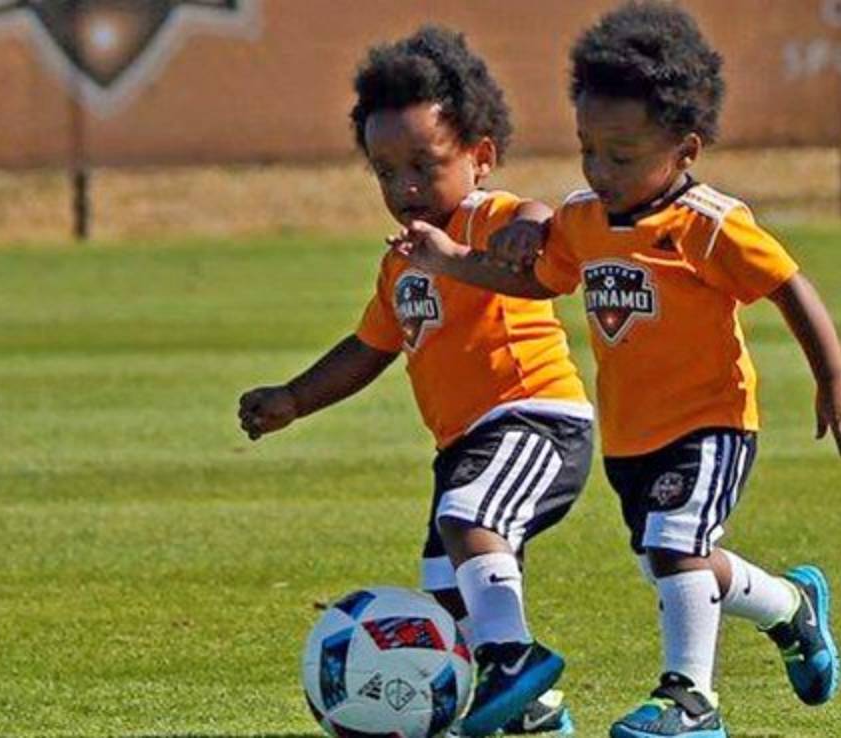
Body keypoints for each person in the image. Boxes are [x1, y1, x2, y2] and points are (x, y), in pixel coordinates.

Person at [386, 4, 841, 737]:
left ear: (684, 150)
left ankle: (690, 701)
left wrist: (832, 377)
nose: (598, 170)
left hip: (710, 421)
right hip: (630, 433)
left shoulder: (708, 224)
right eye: (588, 149)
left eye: (620, 155)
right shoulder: (585, 220)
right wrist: (455, 262)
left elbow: (787, 286)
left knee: (676, 548)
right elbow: (540, 279)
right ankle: (790, 607)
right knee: (676, 563)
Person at [237, 26, 593, 737]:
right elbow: (369, 348)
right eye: (385, 171)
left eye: (424, 166)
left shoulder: (482, 219)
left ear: (481, 157)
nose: (405, 188)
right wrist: (295, 399)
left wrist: (525, 231)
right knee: (445, 597)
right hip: (464, 444)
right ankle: (537, 714)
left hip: (535, 420)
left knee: (469, 520)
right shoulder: (401, 265)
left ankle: (514, 661)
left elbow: (534, 215)